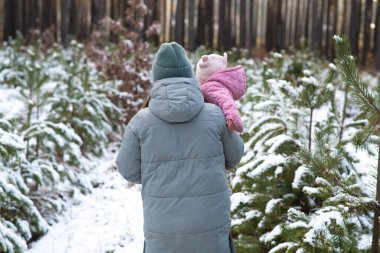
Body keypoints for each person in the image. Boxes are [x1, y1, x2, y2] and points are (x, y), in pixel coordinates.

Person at [116, 42, 244, 253]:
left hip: (162, 231)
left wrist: (156, 172)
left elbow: (127, 169)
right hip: (210, 228)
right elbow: (235, 156)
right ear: (189, 74)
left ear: (157, 78)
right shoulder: (215, 115)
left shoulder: (140, 121)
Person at [195, 53, 246, 133]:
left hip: (215, 126)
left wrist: (232, 118)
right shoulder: (214, 85)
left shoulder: (211, 86)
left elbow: (226, 100)